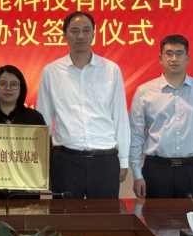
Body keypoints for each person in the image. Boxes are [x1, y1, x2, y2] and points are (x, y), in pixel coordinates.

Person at [36, 11, 130, 199]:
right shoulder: (51, 72)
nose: (80, 36)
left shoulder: (111, 69)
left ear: (94, 34)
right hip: (66, 161)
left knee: (106, 215)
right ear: (64, 35)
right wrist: (43, 163)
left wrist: (123, 160)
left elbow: (120, 117)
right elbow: (43, 120)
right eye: (74, 31)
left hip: (104, 160)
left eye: (86, 30)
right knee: (65, 216)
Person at [129, 34, 193, 199]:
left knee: (192, 216)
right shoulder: (144, 92)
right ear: (160, 58)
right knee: (154, 216)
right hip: (156, 169)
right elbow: (135, 136)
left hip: (192, 169)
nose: (174, 59)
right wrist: (137, 174)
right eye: (169, 53)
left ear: (188, 58)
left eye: (179, 53)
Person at [0, 65, 46, 200]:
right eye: (2, 84)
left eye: (14, 84)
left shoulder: (34, 118)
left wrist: (40, 179)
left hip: (27, 194)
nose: (8, 88)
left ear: (21, 88)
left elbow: (45, 154)